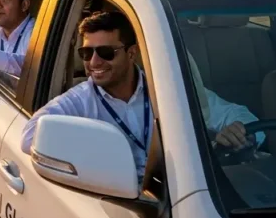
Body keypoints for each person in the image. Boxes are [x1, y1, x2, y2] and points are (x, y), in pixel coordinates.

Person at [22, 11, 262, 181]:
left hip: (180, 197)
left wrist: (239, 132)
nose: (94, 62)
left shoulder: (167, 89)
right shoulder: (80, 100)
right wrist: (94, 149)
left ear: (132, 52)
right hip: (115, 199)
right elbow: (31, 135)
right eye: (86, 53)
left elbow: (243, 118)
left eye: (105, 52)